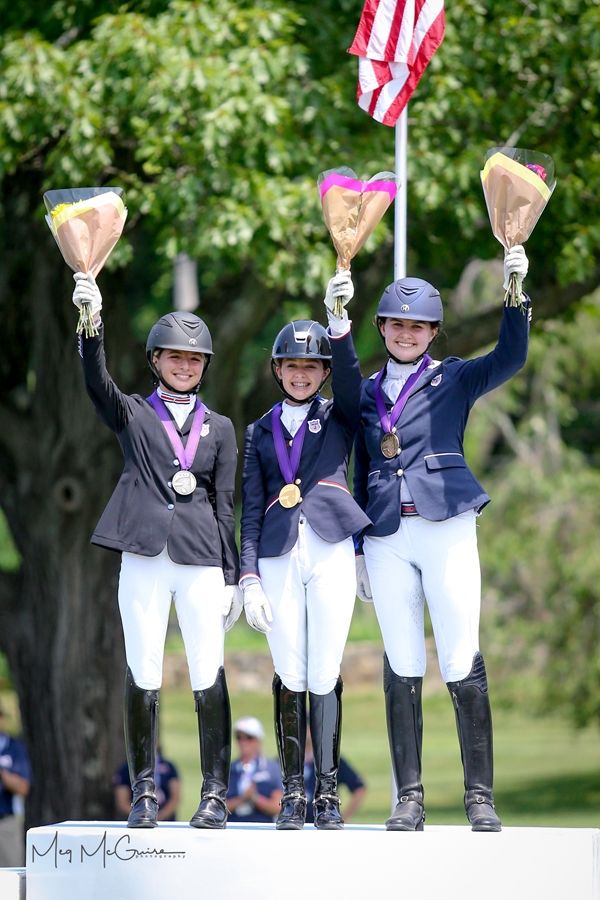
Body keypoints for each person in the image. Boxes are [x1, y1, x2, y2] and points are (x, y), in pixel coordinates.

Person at [353, 247, 530, 833]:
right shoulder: (366, 391)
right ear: (382, 328)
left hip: (445, 525)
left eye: (418, 327)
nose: (406, 334)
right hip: (386, 534)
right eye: (396, 325)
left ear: (432, 332)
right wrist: (357, 547)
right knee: (402, 660)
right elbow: (359, 465)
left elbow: (510, 357)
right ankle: (409, 797)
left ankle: (479, 796)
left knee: (459, 655)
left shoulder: (453, 377)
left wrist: (515, 296)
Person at [72, 273, 241, 830]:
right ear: (156, 360)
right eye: (175, 357)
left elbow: (224, 504)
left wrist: (233, 576)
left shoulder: (220, 428)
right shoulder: (133, 413)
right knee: (142, 666)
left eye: (194, 360)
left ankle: (215, 793)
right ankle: (144, 792)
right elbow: (96, 382)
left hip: (200, 559)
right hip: (144, 555)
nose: (185, 366)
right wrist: (91, 325)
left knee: (207, 669)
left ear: (204, 366)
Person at [239, 273, 371, 830]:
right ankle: (292, 792)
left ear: (322, 373)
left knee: (325, 668)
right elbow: (249, 508)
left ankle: (327, 794)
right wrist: (247, 575)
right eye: (291, 366)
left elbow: (354, 383)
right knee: (289, 669)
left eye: (311, 367)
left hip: (330, 546)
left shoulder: (339, 415)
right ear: (277, 370)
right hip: (276, 554)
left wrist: (339, 325)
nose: (300, 374)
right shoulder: (258, 430)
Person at [226, 717, 283, 823]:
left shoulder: (272, 768)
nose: (243, 742)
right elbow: (218, 808)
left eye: (249, 737)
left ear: (258, 740)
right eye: (239, 737)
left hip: (262, 827)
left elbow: (278, 806)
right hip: (232, 826)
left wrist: (255, 798)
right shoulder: (228, 770)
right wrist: (242, 799)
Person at [303, 729, 366, 824]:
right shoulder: (286, 760)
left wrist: (345, 817)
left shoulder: (331, 760)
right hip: (294, 825)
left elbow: (359, 789)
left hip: (326, 823)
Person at [0, 702, 31, 867]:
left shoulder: (14, 748)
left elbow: (23, 787)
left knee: (10, 873)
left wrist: (3, 774)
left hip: (6, 823)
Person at [113, 746, 181, 822]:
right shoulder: (126, 768)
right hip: (137, 820)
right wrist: (141, 815)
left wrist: (162, 814)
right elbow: (122, 801)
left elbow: (175, 797)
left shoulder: (168, 766)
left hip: (166, 820)